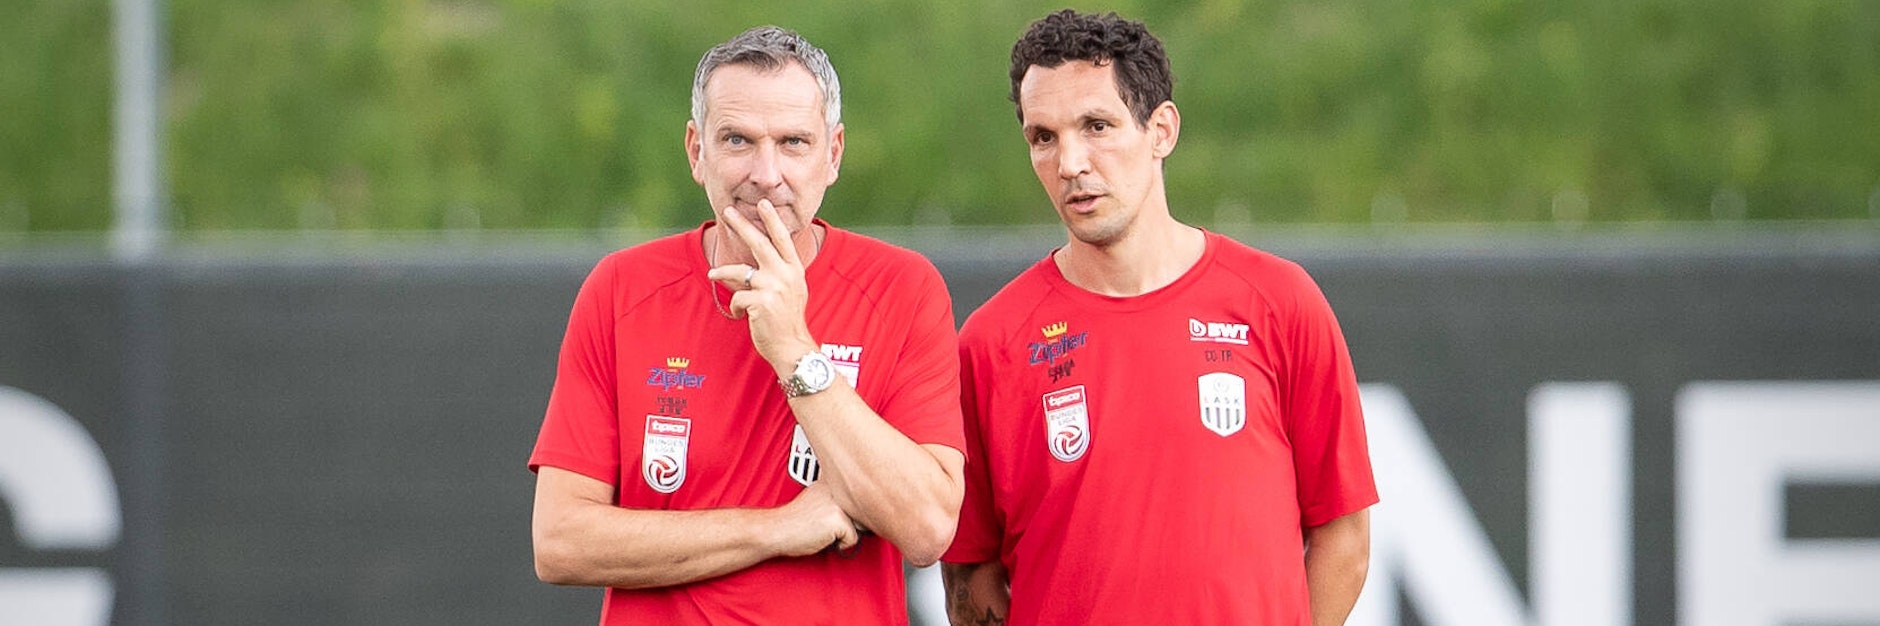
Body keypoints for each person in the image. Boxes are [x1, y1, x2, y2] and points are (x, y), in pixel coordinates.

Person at [941, 10, 1377, 626]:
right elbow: (968, 574)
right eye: (1043, 137)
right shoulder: (991, 343)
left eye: (1096, 126)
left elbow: (1344, 537)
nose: (1069, 163)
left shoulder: (1279, 301)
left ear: (1161, 130)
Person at [527, 26, 966, 625]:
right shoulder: (621, 290)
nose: (766, 172)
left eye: (793, 142)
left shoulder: (902, 289)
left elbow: (928, 528)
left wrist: (795, 351)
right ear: (695, 151)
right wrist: (779, 529)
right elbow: (561, 541)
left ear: (832, 155)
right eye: (737, 139)